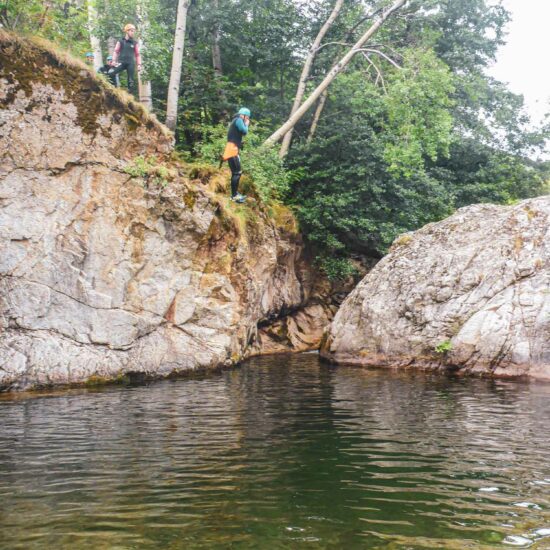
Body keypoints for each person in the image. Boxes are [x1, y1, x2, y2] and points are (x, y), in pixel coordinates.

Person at [221, 108, 251, 203]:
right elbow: (244, 131)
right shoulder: (238, 120)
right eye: (247, 117)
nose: (247, 119)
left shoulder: (236, 120)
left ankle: (235, 194)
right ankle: (234, 196)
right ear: (244, 115)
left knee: (236, 172)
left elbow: (240, 133)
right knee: (237, 172)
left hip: (233, 148)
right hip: (232, 149)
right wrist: (246, 124)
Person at [109, 24, 142, 93]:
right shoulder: (120, 41)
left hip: (131, 64)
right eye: (132, 31)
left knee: (131, 82)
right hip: (121, 62)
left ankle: (130, 98)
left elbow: (137, 54)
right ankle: (113, 89)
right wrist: (113, 61)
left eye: (134, 31)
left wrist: (139, 64)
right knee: (111, 73)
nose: (133, 33)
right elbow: (116, 51)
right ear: (127, 31)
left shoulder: (134, 43)